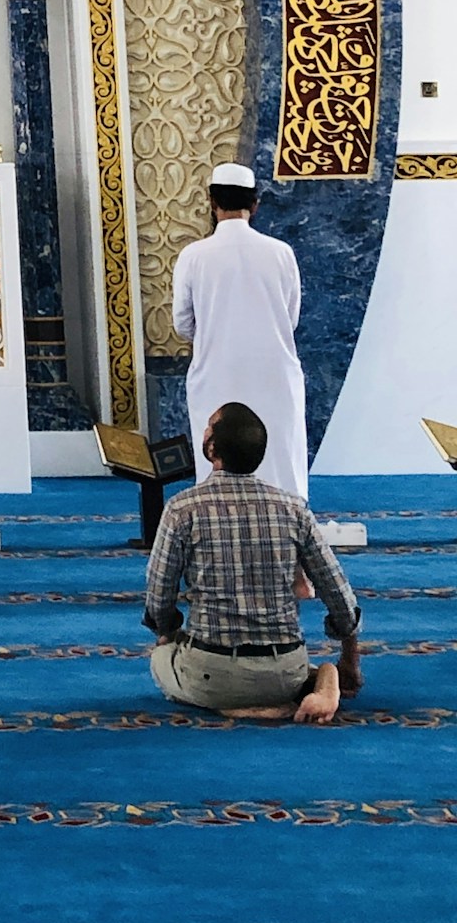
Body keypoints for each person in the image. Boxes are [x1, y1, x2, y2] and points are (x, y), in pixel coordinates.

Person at [144, 399, 360, 723]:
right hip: (285, 673)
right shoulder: (293, 509)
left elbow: (159, 594)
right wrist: (350, 659)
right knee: (308, 670)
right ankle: (319, 685)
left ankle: (235, 704)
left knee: (161, 657)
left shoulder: (182, 509)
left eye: (208, 428)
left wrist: (167, 631)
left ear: (212, 448)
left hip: (211, 674)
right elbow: (337, 591)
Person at [173, 162, 308, 502]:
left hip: (215, 375)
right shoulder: (281, 253)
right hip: (275, 376)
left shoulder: (193, 256)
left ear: (212, 202)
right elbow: (290, 319)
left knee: (218, 455)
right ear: (255, 204)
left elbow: (183, 323)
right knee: (281, 458)